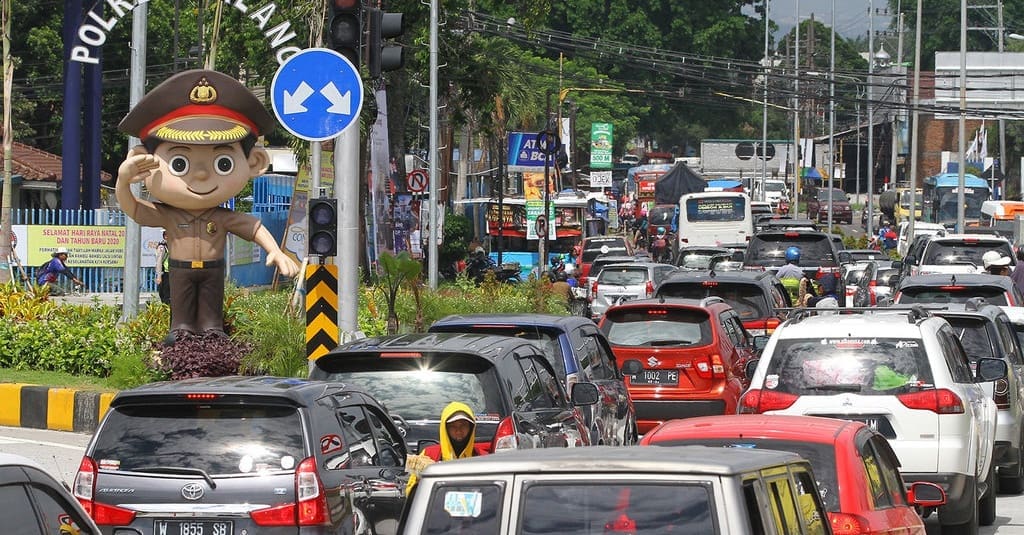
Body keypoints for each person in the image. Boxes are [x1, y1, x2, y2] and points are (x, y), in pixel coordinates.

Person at [115, 69, 299, 340]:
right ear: (142, 160)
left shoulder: (222, 217)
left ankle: (213, 334)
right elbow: (134, 209)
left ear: (254, 163)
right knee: (182, 318)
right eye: (180, 163)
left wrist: (276, 251)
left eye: (222, 163)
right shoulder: (168, 215)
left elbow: (252, 225)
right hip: (180, 269)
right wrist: (123, 182)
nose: (201, 175)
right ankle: (181, 333)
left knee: (212, 319)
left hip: (213, 271)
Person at [406, 402, 489, 494]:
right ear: (445, 428)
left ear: (471, 427)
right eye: (453, 426)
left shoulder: (483, 458)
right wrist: (421, 477)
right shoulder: (429, 454)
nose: (458, 430)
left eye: (463, 425)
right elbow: (410, 491)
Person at [154, 231, 171, 305]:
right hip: (165, 274)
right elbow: (159, 261)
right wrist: (159, 276)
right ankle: (165, 312)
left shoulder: (171, 245)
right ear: (165, 236)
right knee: (165, 296)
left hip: (171, 274)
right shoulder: (162, 247)